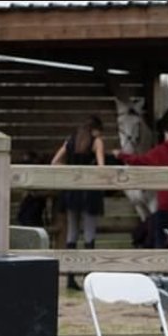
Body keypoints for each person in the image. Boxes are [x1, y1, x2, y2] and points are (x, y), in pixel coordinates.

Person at [51, 115, 106, 290]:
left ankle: (70, 277)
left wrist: (72, 171)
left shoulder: (71, 140)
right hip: (89, 192)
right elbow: (101, 168)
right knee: (89, 234)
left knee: (72, 234)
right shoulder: (97, 142)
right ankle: (88, 277)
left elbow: (54, 162)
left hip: (71, 192)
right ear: (96, 129)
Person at [112, 122, 168, 249]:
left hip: (167, 204)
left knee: (160, 239)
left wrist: (120, 155)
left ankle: (162, 266)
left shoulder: (161, 150)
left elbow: (140, 161)